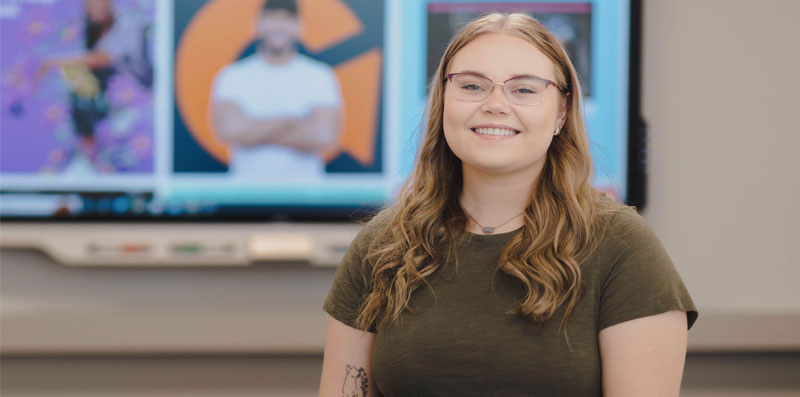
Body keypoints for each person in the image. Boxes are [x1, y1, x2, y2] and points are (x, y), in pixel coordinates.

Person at [319, 13, 697, 396]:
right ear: (443, 103)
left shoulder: (621, 245)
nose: (495, 104)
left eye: (524, 90)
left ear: (561, 113)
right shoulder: (381, 246)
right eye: (471, 86)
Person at [210, 0, 342, 179]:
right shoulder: (232, 75)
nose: (279, 25)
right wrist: (290, 121)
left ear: (299, 27)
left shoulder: (319, 75)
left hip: (305, 196)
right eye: (272, 18)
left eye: (287, 19)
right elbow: (230, 130)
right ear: (257, 24)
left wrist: (253, 132)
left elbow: (323, 136)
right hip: (246, 195)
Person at [39, 0, 152, 169]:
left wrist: (54, 62)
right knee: (77, 84)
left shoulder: (128, 23)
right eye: (89, 5)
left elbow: (103, 58)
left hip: (131, 93)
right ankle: (88, 154)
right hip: (105, 99)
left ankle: (95, 158)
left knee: (81, 77)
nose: (94, 8)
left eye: (98, 3)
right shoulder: (90, 27)